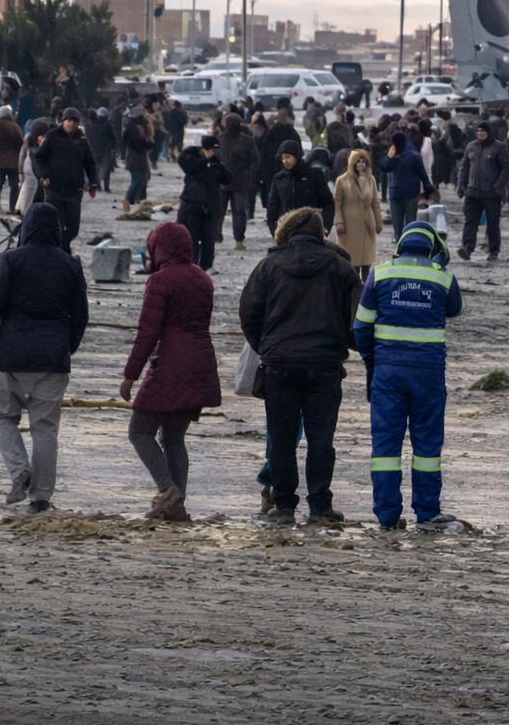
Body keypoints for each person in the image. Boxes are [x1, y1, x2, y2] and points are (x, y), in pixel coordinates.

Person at [240, 206, 363, 526]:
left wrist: (267, 347)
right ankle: (320, 506)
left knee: (281, 437)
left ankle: (283, 505)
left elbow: (249, 315)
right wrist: (344, 346)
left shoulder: (268, 266)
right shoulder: (341, 268)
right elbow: (359, 321)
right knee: (321, 438)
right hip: (324, 364)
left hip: (279, 365)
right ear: (322, 234)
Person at [0, 203, 90, 514]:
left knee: (1, 417)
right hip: (53, 357)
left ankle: (18, 469)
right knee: (45, 428)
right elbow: (81, 316)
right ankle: (40, 498)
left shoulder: (11, 260)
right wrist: (68, 347)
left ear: (26, 228)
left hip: (12, 354)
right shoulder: (70, 265)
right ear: (58, 230)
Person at [353, 221, 465, 530]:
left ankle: (387, 517)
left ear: (400, 245)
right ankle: (427, 513)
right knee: (427, 447)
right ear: (432, 248)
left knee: (385, 448)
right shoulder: (442, 277)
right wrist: (442, 265)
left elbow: (361, 326)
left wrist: (371, 361)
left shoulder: (381, 273)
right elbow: (456, 309)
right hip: (428, 373)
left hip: (387, 372)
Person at [119, 222, 220, 522]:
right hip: (201, 361)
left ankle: (167, 490)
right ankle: (177, 504)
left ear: (157, 248)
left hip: (169, 362)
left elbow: (148, 333)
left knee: (139, 430)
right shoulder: (203, 279)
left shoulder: (160, 281)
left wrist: (130, 375)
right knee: (174, 437)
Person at [34, 108, 98, 252]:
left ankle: (63, 247)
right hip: (53, 189)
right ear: (63, 121)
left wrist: (93, 182)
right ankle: (60, 252)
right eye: (69, 120)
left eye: (75, 121)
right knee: (55, 223)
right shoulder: (52, 136)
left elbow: (90, 163)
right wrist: (44, 175)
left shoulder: (81, 140)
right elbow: (39, 158)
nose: (72, 124)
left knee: (73, 227)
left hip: (74, 191)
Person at [455, 120, 509, 262]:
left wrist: (499, 185)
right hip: (473, 192)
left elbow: (507, 168)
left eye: (483, 131)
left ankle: (493, 251)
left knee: (492, 224)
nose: (480, 133)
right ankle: (467, 247)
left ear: (489, 132)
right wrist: (461, 185)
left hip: (492, 194)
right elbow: (464, 166)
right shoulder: (471, 147)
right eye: (478, 131)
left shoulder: (499, 147)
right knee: (470, 222)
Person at [177, 135, 233, 271]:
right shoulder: (191, 157)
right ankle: (191, 265)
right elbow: (189, 167)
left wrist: (217, 164)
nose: (213, 153)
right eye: (210, 150)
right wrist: (204, 160)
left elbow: (228, 179)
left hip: (210, 207)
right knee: (192, 238)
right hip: (192, 206)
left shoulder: (215, 163)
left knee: (209, 239)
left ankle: (206, 266)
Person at [266, 138, 334, 236]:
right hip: (288, 231)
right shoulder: (279, 178)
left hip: (311, 230)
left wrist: (325, 227)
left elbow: (327, 203)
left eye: (288, 157)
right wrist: (275, 231)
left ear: (297, 156)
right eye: (282, 158)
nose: (284, 161)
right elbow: (272, 207)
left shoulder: (314, 175)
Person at [335, 148, 384, 279]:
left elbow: (374, 202)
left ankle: (366, 289)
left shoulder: (370, 179)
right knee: (352, 262)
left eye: (363, 161)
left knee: (367, 261)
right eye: (358, 161)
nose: (361, 164)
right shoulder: (342, 180)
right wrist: (339, 222)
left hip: (367, 223)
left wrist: (378, 222)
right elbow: (337, 203)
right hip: (349, 224)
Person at [381, 130, 435, 240]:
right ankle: (406, 244)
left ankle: (400, 244)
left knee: (398, 225)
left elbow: (385, 167)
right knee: (410, 225)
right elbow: (422, 174)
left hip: (398, 194)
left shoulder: (402, 155)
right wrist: (428, 188)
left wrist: (390, 156)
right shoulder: (413, 155)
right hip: (407, 194)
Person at [218, 112, 260, 251]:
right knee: (219, 210)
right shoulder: (219, 139)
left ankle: (239, 239)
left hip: (240, 182)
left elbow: (255, 160)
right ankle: (216, 235)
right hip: (222, 181)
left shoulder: (247, 141)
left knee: (239, 211)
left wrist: (247, 171)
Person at [0, 108, 25, 207]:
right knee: (14, 185)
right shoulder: (14, 126)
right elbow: (20, 142)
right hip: (13, 160)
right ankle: (12, 205)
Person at [122, 113, 154, 213]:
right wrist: (149, 144)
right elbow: (138, 144)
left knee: (139, 179)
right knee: (138, 179)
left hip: (136, 158)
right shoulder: (134, 130)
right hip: (136, 158)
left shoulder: (132, 128)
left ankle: (132, 200)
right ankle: (128, 200)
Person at [86, 106, 118, 194]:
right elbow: (113, 138)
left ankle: (98, 186)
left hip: (94, 150)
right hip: (105, 149)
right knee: (106, 169)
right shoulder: (107, 125)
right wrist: (114, 146)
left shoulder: (89, 125)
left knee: (97, 168)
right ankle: (106, 187)